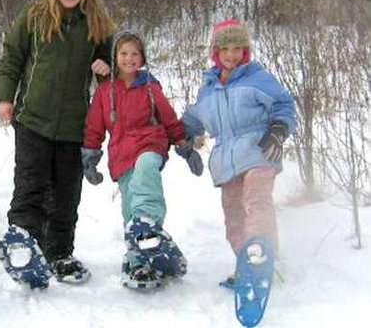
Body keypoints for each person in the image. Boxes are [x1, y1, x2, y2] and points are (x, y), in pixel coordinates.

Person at [0, 0, 115, 288]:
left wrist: (106, 66)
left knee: (66, 193)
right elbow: (12, 55)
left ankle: (59, 253)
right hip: (33, 117)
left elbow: (116, 60)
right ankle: (23, 244)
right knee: (30, 184)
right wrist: (6, 97)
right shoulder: (35, 14)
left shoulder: (97, 20)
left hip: (75, 123)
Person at [81, 30, 201, 289]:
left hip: (150, 144)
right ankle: (138, 260)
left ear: (142, 58)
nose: (129, 58)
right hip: (121, 155)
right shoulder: (104, 91)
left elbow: (168, 118)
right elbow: (93, 127)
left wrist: (184, 146)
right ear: (115, 57)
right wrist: (90, 156)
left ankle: (148, 224)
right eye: (123, 53)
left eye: (135, 54)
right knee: (128, 206)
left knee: (146, 172)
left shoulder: (150, 86)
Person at [180, 18, 296, 284]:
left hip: (259, 152)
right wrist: (180, 137)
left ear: (245, 51)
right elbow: (194, 119)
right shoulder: (208, 89)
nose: (231, 55)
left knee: (256, 201)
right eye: (225, 49)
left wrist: (278, 130)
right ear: (216, 52)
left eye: (237, 49)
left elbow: (284, 106)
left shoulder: (258, 78)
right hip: (226, 163)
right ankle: (246, 261)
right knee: (233, 215)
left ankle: (262, 255)